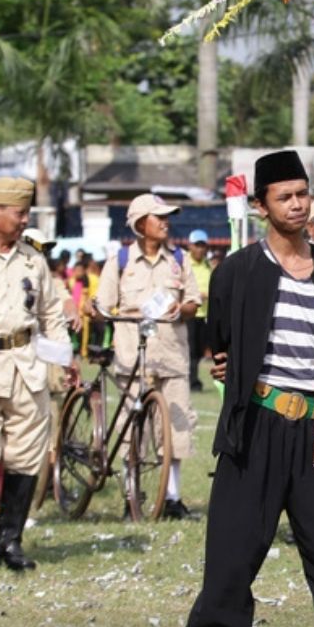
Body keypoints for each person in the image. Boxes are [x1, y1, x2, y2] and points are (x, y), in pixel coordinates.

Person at [185, 150, 314, 627]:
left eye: (302, 193)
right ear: (260, 205)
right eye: (284, 196)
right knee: (234, 540)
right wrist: (229, 366)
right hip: (257, 423)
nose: (296, 204)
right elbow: (219, 340)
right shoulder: (237, 271)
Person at [0, 178, 71, 571]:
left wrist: (62, 360)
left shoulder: (33, 259)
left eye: (26, 213)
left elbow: (50, 314)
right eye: (19, 213)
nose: (25, 221)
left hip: (27, 367)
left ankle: (9, 542)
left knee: (26, 457)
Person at [93, 194, 201, 520]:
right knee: (131, 432)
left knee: (176, 431)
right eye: (159, 217)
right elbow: (102, 304)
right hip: (132, 359)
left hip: (171, 358)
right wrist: (98, 312)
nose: (166, 222)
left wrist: (181, 309)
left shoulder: (179, 260)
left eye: (167, 217)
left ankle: (172, 498)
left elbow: (194, 304)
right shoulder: (120, 261)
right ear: (141, 224)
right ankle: (131, 497)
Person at [186, 229, 212, 392]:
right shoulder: (184, 264)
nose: (200, 249)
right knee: (189, 350)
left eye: (203, 246)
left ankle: (193, 380)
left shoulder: (207, 265)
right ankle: (192, 381)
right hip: (189, 313)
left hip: (204, 314)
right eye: (197, 245)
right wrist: (196, 295)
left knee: (198, 350)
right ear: (190, 246)